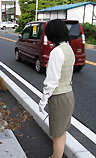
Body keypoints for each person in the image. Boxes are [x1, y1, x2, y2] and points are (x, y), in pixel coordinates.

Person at [38, 19, 75, 158]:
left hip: (58, 97)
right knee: (63, 131)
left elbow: (52, 81)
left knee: (57, 135)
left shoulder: (56, 52)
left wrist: (43, 100)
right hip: (69, 95)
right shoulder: (69, 49)